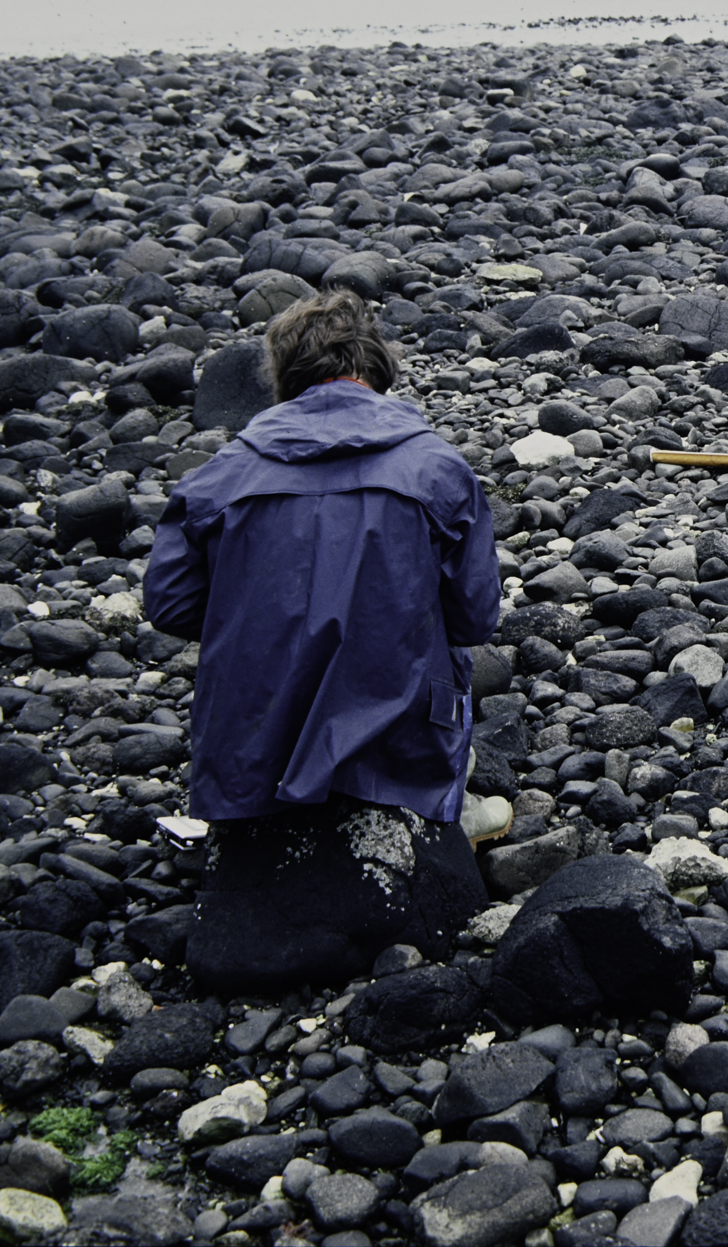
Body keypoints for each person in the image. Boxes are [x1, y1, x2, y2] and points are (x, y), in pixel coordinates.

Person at [142, 290, 503, 991]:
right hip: (399, 739)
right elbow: (476, 618)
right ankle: (425, 795)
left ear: (284, 376)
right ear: (377, 368)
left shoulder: (222, 474)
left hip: (249, 750)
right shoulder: (436, 468)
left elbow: (173, 604)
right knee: (446, 650)